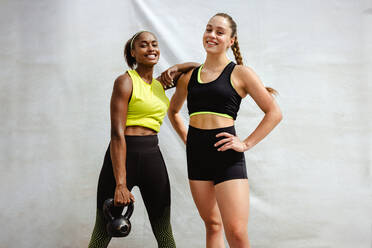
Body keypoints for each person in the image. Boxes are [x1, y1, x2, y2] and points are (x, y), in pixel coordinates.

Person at [167, 13, 283, 248]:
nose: (212, 35)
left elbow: (274, 113)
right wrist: (189, 140)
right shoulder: (189, 77)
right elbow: (173, 112)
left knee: (237, 232)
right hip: (197, 155)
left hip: (226, 157)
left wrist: (245, 144)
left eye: (219, 32)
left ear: (231, 40)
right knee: (212, 225)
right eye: (209, 29)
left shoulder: (241, 73)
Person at [88, 30, 198, 248]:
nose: (151, 49)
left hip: (152, 157)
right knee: (102, 232)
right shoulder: (125, 82)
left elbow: (199, 69)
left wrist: (176, 68)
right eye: (144, 45)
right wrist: (120, 183)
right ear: (133, 52)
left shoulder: (160, 85)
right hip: (121, 158)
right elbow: (117, 134)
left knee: (164, 232)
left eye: (154, 44)